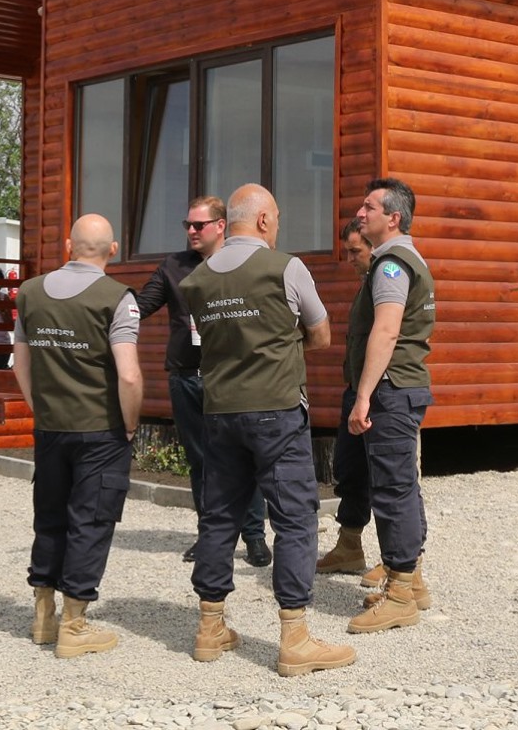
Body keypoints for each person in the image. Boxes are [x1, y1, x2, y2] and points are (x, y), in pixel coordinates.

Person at [177, 184, 354, 676]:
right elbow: (321, 334)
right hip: (276, 409)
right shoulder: (286, 268)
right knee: (294, 517)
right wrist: (280, 345)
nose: (277, 226)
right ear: (261, 220)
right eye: (275, 218)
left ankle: (210, 628)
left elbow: (214, 341)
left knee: (219, 516)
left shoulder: (196, 280)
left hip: (220, 412)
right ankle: (294, 638)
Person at [12, 214, 144, 657]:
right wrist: (130, 422)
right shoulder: (118, 298)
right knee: (91, 520)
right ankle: (74, 624)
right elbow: (128, 375)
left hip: (51, 426)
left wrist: (39, 407)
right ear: (113, 250)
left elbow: (21, 363)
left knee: (50, 517)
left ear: (68, 246)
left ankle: (43, 616)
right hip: (100, 428)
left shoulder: (30, 292)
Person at [136, 195, 272, 567]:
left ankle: (254, 537)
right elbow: (141, 306)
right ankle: (210, 535)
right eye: (188, 225)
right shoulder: (174, 266)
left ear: (221, 225)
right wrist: (99, 303)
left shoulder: (239, 262)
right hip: (186, 377)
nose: (192, 231)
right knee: (201, 461)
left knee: (245, 457)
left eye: (199, 225)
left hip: (231, 377)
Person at [341, 177, 436, 634]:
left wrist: (363, 396)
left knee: (392, 489)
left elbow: (386, 330)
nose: (360, 214)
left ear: (393, 218)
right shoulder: (401, 259)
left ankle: (399, 596)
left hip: (391, 389)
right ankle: (411, 582)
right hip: (403, 387)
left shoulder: (392, 265)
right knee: (402, 485)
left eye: (369, 207)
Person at [317, 217, 377, 576]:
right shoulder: (366, 284)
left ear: (373, 247)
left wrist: (366, 394)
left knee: (386, 477)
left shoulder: (387, 281)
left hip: (378, 394)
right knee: (349, 470)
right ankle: (349, 547)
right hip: (355, 389)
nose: (350, 258)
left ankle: (402, 563)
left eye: (356, 251)